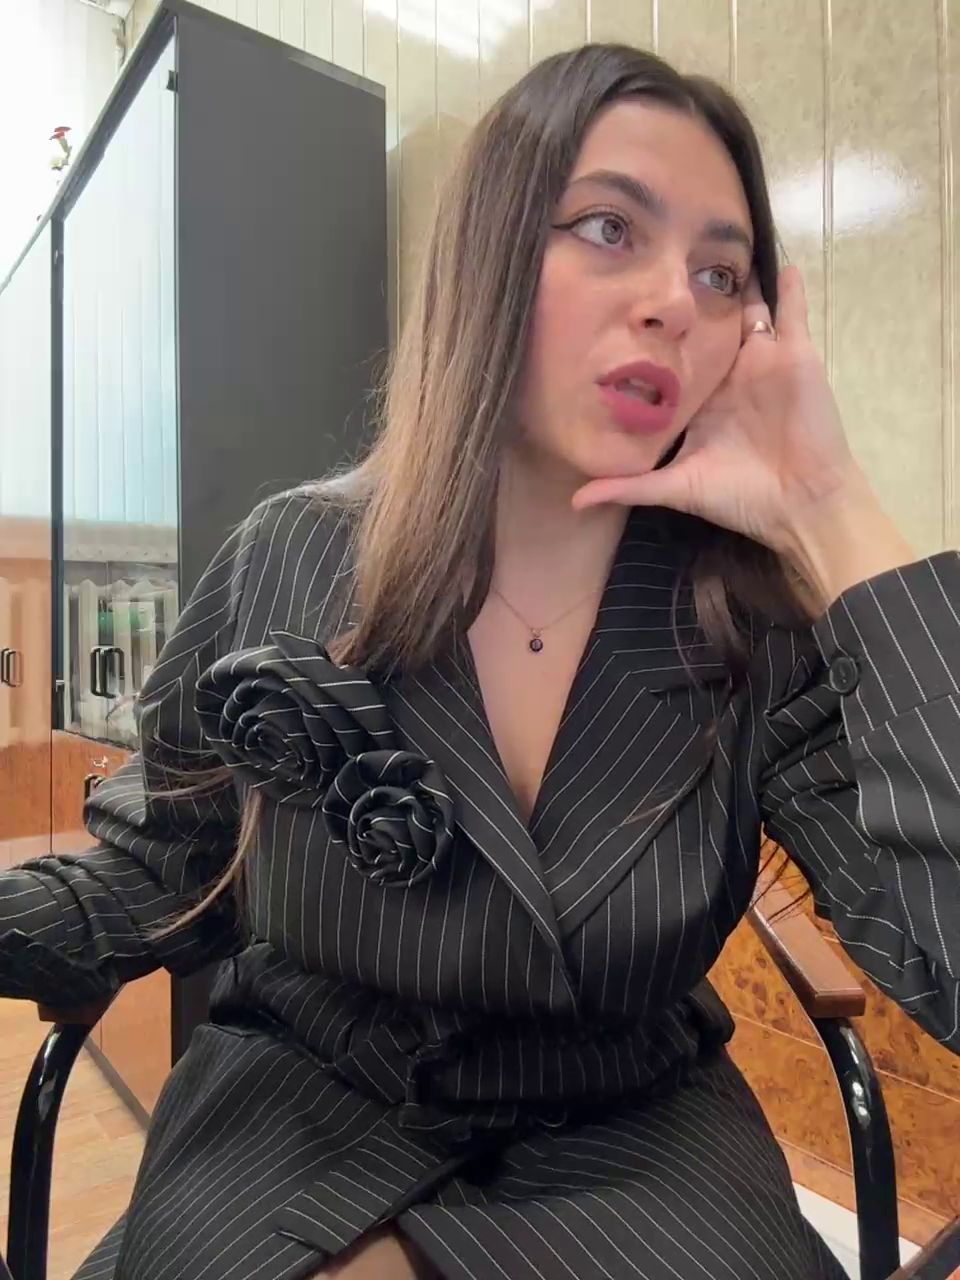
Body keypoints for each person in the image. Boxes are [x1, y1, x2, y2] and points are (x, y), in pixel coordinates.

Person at [2, 41, 958, 1280]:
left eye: (722, 273)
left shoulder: (748, 618)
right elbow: (162, 867)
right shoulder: (289, 553)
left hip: (631, 1135)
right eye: (610, 227)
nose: (674, 299)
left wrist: (831, 505)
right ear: (490, 252)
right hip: (301, 1105)